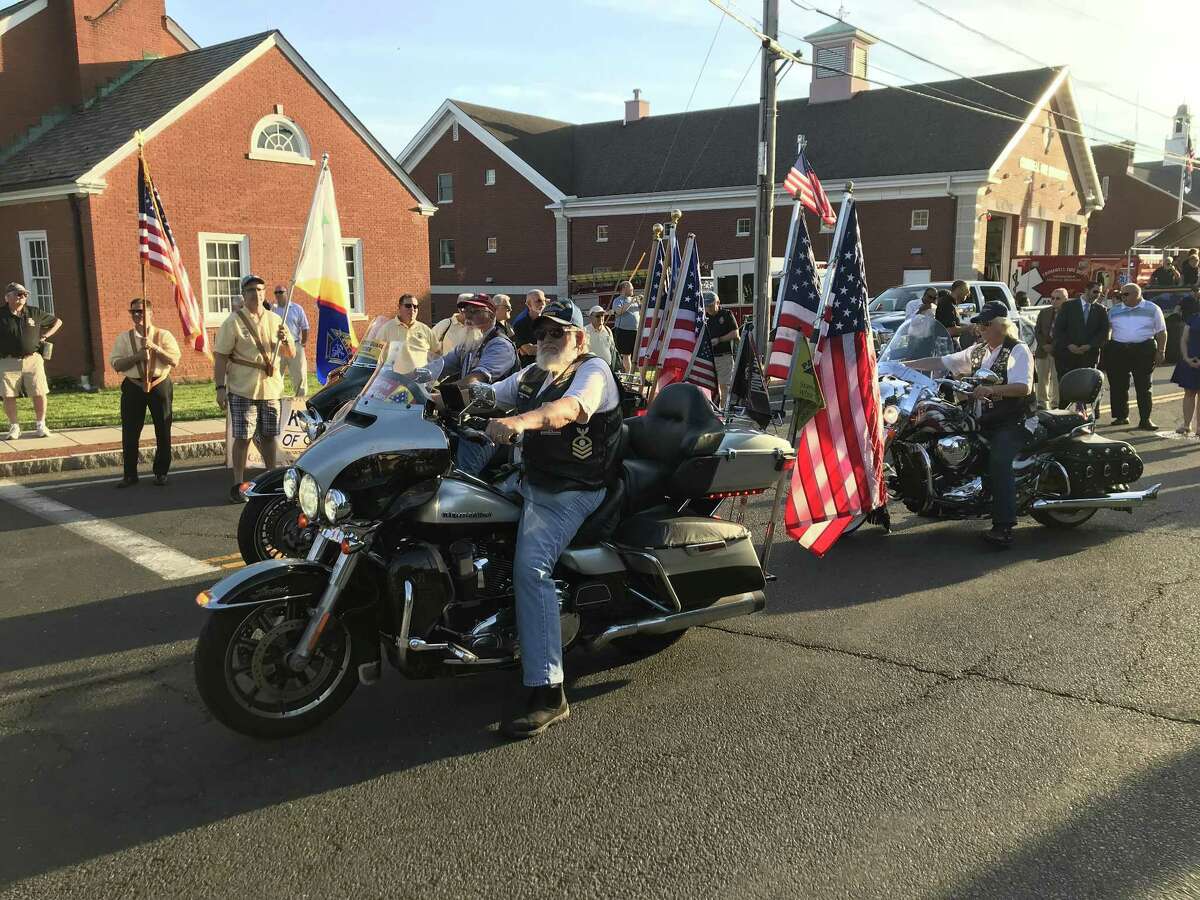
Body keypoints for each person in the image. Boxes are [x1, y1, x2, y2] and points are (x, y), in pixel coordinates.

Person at [482, 299, 622, 737]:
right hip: (534, 480)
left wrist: (519, 422)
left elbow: (570, 410)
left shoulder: (592, 371)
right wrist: (434, 390)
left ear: (579, 337)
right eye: (541, 333)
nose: (546, 340)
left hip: (574, 489)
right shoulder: (534, 374)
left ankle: (548, 690)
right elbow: (492, 392)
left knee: (531, 568)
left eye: (556, 333)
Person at [906, 302, 1034, 547]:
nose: (980, 329)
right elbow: (943, 362)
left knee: (998, 460)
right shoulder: (979, 351)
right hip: (983, 419)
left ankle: (1004, 526)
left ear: (1001, 326)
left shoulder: (1017, 350)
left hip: (1014, 420)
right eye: (979, 324)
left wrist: (992, 389)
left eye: (985, 324)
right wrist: (902, 366)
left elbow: (1023, 387)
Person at [213, 274, 295, 503]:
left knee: (269, 436)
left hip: (270, 388)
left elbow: (291, 354)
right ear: (243, 294)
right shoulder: (234, 322)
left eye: (260, 289)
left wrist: (286, 340)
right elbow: (220, 357)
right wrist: (220, 387)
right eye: (251, 290)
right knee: (243, 437)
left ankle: (270, 478)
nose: (256, 294)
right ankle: (239, 483)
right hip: (243, 387)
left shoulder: (276, 320)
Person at [422, 293, 517, 476]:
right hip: (465, 417)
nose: (468, 316)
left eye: (475, 311)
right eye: (466, 310)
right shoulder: (470, 343)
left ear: (491, 314)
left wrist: (439, 395)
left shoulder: (500, 345)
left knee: (458, 477)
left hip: (491, 424)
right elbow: (437, 367)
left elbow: (474, 380)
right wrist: (404, 380)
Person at [109, 298, 180, 486]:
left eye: (141, 311)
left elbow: (174, 360)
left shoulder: (164, 335)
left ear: (151, 313)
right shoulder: (124, 338)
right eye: (133, 312)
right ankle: (130, 474)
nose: (137, 315)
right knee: (130, 431)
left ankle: (161, 471)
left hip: (159, 384)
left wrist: (155, 348)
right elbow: (116, 364)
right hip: (134, 385)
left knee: (163, 429)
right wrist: (137, 356)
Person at [1, 282, 61, 439]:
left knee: (39, 391)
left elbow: (57, 322)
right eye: (18, 294)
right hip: (8, 361)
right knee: (8, 395)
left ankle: (41, 425)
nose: (23, 297)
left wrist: (45, 336)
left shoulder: (34, 312)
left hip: (33, 359)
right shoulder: (1, 315)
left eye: (25, 294)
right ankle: (14, 427)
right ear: (7, 297)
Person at [1105, 282, 1167, 429]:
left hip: (1143, 349)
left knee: (1143, 386)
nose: (1122, 297)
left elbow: (1161, 331)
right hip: (1119, 349)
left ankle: (1145, 419)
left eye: (1126, 294)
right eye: (1121, 294)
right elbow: (1107, 330)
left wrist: (1161, 351)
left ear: (1137, 294)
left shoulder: (1152, 309)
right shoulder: (1114, 310)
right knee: (1118, 385)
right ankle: (1121, 416)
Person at [1052, 280, 1110, 399]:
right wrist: (1069, 345)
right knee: (1068, 387)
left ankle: (1089, 413)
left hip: (1089, 356)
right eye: (1095, 291)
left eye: (1099, 292)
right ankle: (1066, 413)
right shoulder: (1069, 306)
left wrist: (1090, 345)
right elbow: (1058, 330)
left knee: (1088, 387)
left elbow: (1104, 332)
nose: (1097, 295)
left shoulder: (1101, 310)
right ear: (1086, 290)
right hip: (1067, 356)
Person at [376, 293, 436, 374]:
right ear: (399, 307)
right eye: (408, 306)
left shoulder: (425, 329)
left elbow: (437, 353)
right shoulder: (387, 328)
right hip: (395, 382)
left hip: (420, 382)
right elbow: (375, 355)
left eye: (415, 306)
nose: (412, 309)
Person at [1170, 294, 1200, 436]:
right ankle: (1186, 425)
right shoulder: (1193, 318)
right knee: (1189, 393)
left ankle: (1199, 428)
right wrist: (1187, 358)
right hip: (1190, 361)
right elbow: (1184, 340)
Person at [274, 286, 310, 399]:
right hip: (278, 347)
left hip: (295, 345)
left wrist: (303, 343)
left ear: (287, 293)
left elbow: (305, 327)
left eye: (281, 292)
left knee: (299, 375)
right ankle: (277, 401)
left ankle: (300, 402)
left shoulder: (297, 308)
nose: (278, 294)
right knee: (276, 375)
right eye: (276, 292)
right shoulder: (272, 310)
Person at [1033, 289, 1066, 409]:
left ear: (1065, 299)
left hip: (1059, 352)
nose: (1054, 301)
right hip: (1043, 351)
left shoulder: (1068, 313)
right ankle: (1042, 402)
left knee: (1057, 379)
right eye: (1052, 298)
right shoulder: (1044, 312)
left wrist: (1054, 346)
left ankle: (1056, 403)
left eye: (1058, 298)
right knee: (1042, 378)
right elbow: (1037, 330)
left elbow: (1066, 333)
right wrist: (1044, 345)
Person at [705, 292, 739, 395]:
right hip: (708, 358)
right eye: (706, 306)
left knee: (724, 386)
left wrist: (719, 340)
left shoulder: (726, 314)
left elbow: (735, 334)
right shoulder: (703, 317)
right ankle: (713, 410)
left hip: (724, 356)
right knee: (710, 388)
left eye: (711, 305)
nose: (709, 308)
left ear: (718, 303)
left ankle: (724, 410)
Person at [511, 289, 547, 368]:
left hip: (548, 368)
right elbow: (529, 350)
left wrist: (534, 348)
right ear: (529, 304)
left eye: (544, 301)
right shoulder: (520, 325)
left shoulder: (550, 323)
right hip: (529, 371)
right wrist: (549, 348)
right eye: (538, 301)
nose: (543, 304)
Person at [611, 280, 640, 372]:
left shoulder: (635, 300)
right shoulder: (618, 300)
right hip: (623, 331)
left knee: (637, 354)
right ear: (624, 288)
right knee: (626, 354)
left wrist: (641, 303)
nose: (633, 289)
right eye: (631, 287)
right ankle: (628, 374)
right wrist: (631, 302)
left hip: (636, 331)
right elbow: (619, 311)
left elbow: (642, 312)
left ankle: (639, 375)